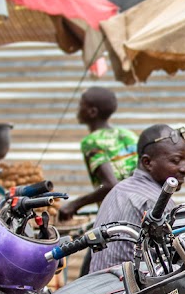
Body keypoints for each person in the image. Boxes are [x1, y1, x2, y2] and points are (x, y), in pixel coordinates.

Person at [89, 124, 185, 273]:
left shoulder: (119, 189)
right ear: (147, 162)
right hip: (125, 291)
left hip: (98, 288)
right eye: (175, 160)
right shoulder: (155, 203)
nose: (184, 168)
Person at [58, 87, 139, 221]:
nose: (77, 110)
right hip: (143, 207)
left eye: (80, 105)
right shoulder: (128, 134)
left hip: (120, 215)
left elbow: (109, 185)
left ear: (92, 112)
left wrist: (73, 205)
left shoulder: (92, 142)